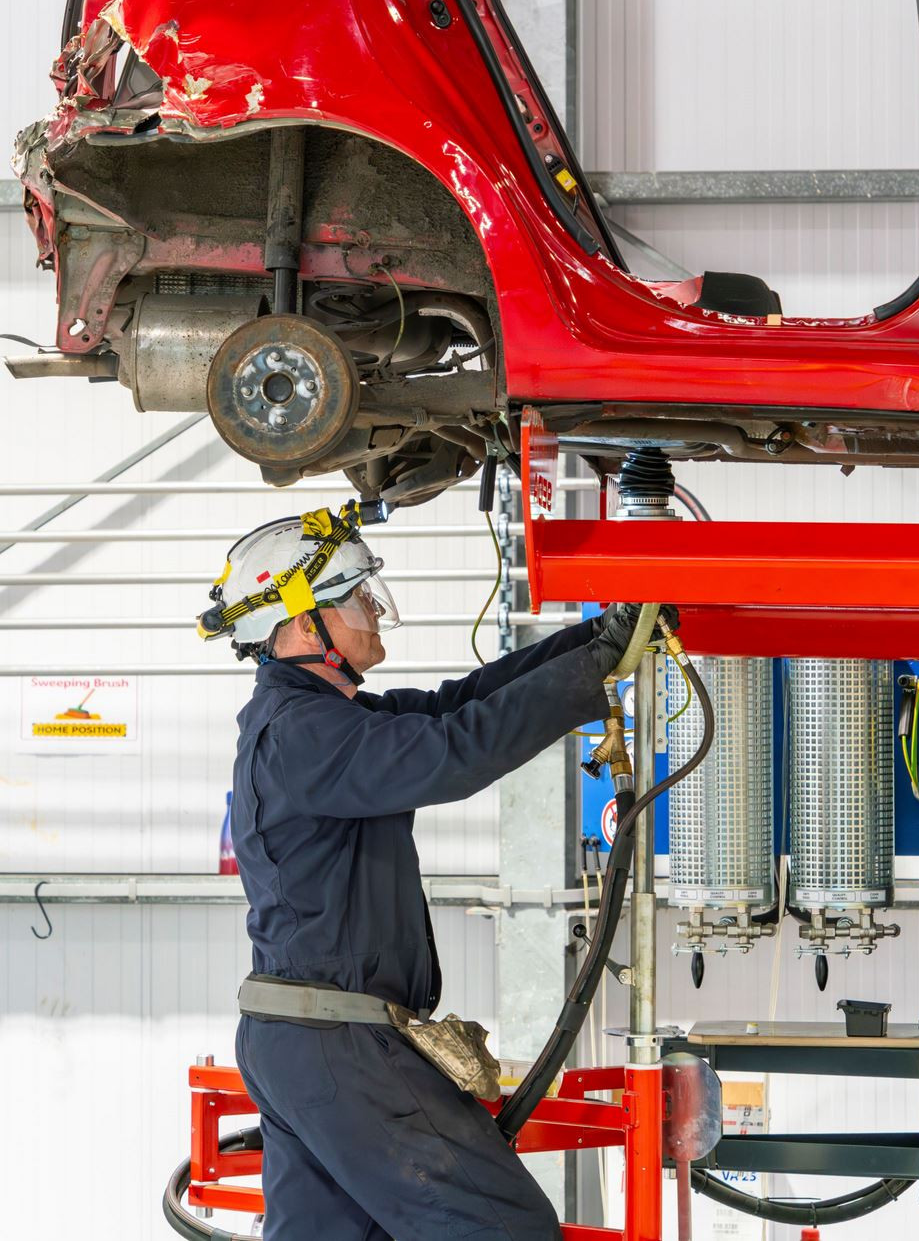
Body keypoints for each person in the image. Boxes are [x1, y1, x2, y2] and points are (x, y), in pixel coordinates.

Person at [198, 502, 645, 1240]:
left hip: (306, 1042)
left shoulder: (321, 721)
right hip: (340, 1049)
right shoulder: (304, 734)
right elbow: (453, 752)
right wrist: (597, 667)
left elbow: (453, 707)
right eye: (357, 598)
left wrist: (594, 642)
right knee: (501, 1226)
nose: (374, 610)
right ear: (305, 624)